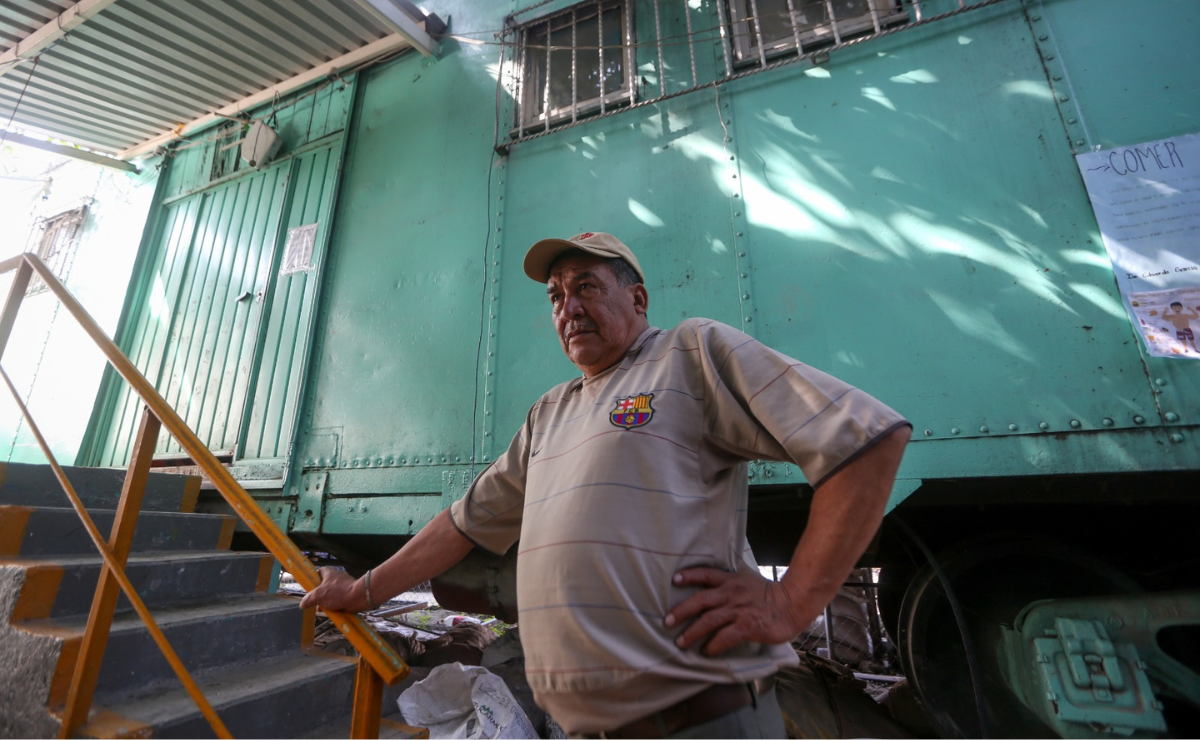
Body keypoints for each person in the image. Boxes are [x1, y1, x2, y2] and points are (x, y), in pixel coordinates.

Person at [301, 232, 911, 738]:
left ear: (637, 297)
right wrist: (361, 591)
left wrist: (789, 602)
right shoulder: (549, 412)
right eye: (556, 295)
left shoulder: (689, 353)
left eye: (587, 285)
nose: (569, 306)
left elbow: (864, 438)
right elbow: (463, 523)